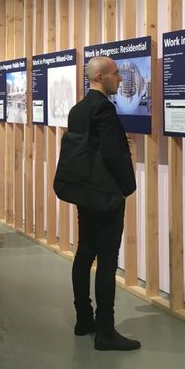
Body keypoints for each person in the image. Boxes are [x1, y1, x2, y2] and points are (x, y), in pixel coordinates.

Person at [68, 57, 140, 351]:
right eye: (115, 74)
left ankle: (84, 318)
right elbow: (112, 155)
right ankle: (106, 331)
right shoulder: (104, 111)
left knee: (85, 251)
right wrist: (127, 187)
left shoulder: (79, 109)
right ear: (100, 76)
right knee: (107, 261)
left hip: (85, 194)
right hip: (106, 196)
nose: (120, 79)